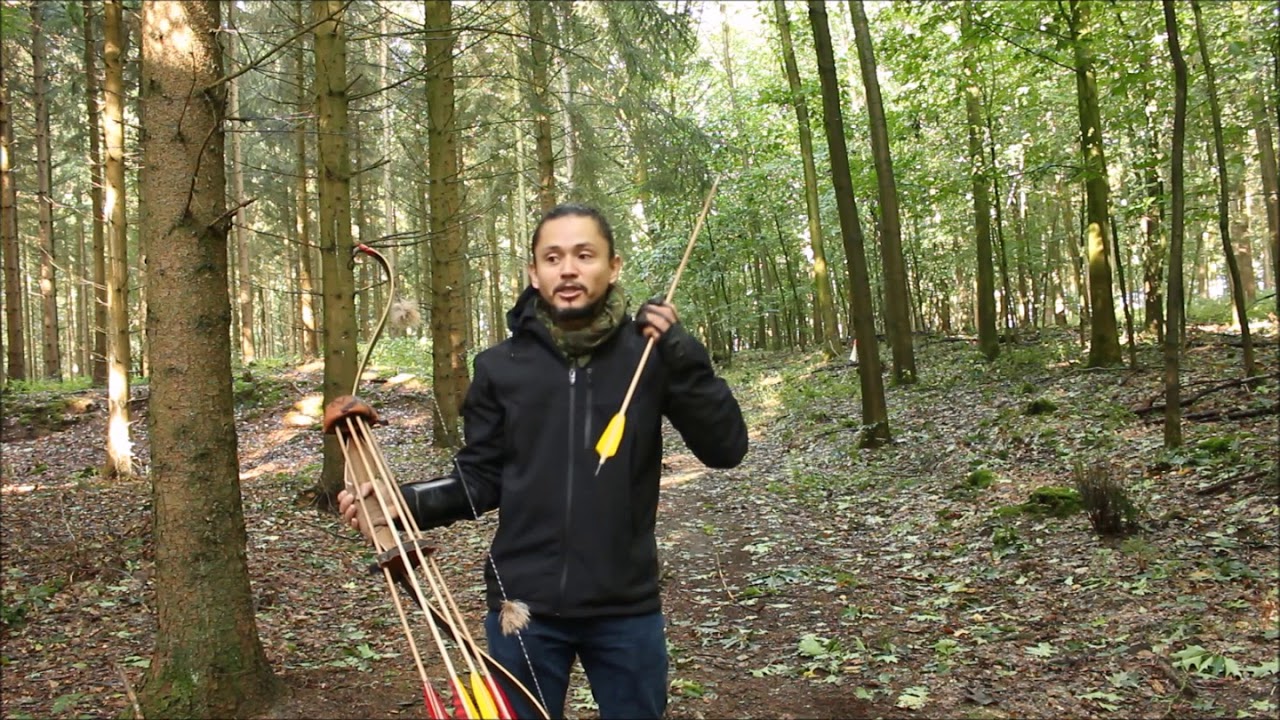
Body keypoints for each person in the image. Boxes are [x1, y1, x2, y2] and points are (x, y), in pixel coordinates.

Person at [338, 203, 748, 719]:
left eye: (584, 255)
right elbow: (479, 480)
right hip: (522, 610)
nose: (569, 269)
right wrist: (399, 505)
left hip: (625, 606)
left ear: (613, 266)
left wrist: (683, 354)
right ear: (534, 272)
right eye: (553, 257)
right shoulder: (499, 367)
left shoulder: (650, 355)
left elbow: (726, 449)